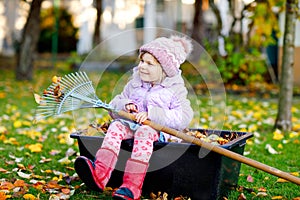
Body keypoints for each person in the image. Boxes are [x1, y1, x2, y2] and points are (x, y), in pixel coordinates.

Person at [74, 35, 194, 200]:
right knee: (116, 126)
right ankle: (99, 175)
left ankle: (132, 187)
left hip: (158, 131)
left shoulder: (175, 89)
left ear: (165, 70)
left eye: (149, 63)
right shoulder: (135, 83)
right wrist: (125, 105)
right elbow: (114, 105)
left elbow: (184, 116)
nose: (142, 67)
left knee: (144, 131)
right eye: (142, 61)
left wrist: (153, 114)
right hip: (132, 124)